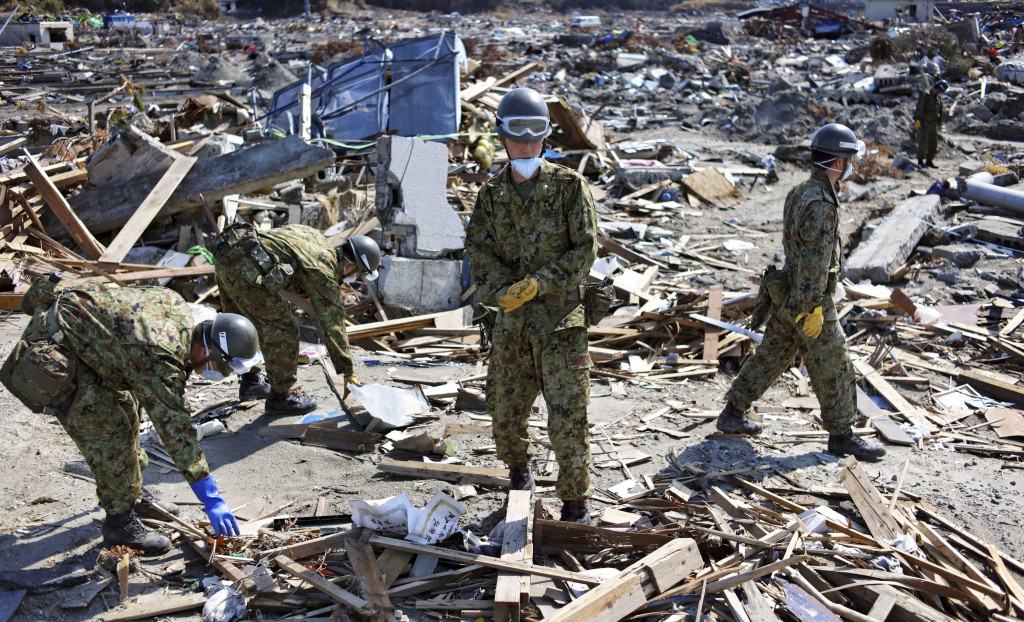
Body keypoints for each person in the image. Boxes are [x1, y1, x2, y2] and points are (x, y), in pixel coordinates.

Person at [7, 277, 261, 554]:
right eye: (223, 367)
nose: (220, 375)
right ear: (206, 349)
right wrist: (211, 497)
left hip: (89, 345)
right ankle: (119, 524)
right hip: (58, 349)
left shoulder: (177, 308)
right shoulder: (161, 353)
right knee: (111, 438)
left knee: (128, 412)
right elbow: (176, 431)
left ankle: (133, 497)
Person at [715, 123, 886, 461]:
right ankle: (842, 435)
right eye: (848, 160)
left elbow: (792, 249)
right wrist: (811, 310)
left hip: (787, 292)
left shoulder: (801, 191)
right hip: (809, 298)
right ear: (837, 162)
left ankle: (733, 412)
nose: (851, 166)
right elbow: (814, 263)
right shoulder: (821, 204)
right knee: (835, 365)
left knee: (772, 355)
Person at [466, 87, 598, 524]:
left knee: (567, 420)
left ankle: (575, 505)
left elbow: (585, 251)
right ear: (501, 137)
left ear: (546, 138)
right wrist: (499, 290)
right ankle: (519, 475)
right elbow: (479, 253)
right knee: (504, 410)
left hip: (561, 324)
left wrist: (540, 284)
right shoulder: (490, 196)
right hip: (511, 327)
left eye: (535, 135)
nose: (526, 146)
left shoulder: (569, 189)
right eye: (517, 136)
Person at [211, 224, 380, 415]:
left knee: (244, 325)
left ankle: (251, 383)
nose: (355, 278)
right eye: (358, 274)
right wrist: (348, 370)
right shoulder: (323, 270)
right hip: (249, 271)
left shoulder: (317, 239)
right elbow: (332, 323)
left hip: (227, 259)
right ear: (351, 266)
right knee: (284, 330)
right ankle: (280, 398)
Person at [914, 79, 947, 169]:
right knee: (923, 143)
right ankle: (920, 161)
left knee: (933, 143)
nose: (939, 92)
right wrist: (917, 119)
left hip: (933, 124)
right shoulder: (926, 95)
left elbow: (939, 111)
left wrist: (940, 123)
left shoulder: (938, 98)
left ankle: (929, 161)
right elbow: (919, 107)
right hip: (924, 123)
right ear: (936, 87)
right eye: (939, 90)